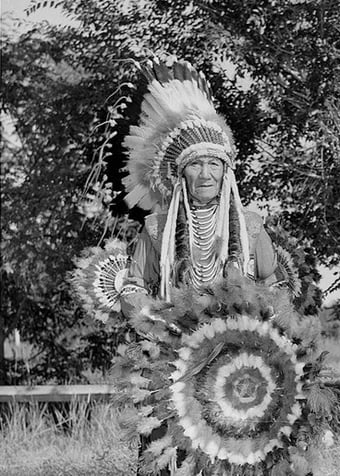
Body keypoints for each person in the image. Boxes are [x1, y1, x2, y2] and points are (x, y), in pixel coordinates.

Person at [114, 60, 277, 475]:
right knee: (171, 453)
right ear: (179, 172)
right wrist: (148, 314)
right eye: (195, 164)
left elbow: (277, 286)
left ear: (227, 172)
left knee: (233, 454)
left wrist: (263, 313)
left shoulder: (251, 225)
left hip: (239, 359)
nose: (205, 173)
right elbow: (133, 287)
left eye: (215, 164)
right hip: (173, 361)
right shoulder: (156, 228)